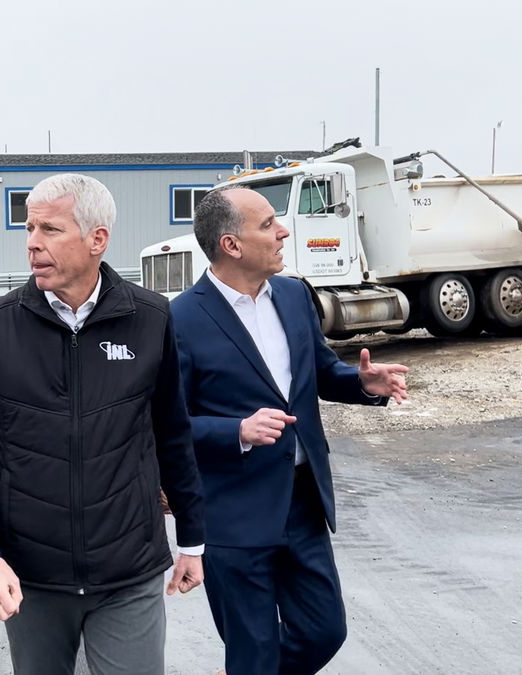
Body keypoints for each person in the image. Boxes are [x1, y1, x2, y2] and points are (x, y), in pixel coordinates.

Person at [0, 174, 206, 675]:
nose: (33, 243)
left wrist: (192, 540)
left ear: (97, 239)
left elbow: (172, 434)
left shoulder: (150, 318)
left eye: (50, 229)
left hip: (128, 572)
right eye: (28, 229)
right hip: (32, 578)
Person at [172, 187, 409, 675]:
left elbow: (320, 372)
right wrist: (235, 430)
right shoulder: (180, 319)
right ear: (231, 245)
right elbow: (167, 424)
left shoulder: (296, 295)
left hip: (302, 500)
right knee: (253, 650)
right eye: (268, 225)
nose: (282, 232)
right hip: (232, 513)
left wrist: (363, 384)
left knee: (325, 630)